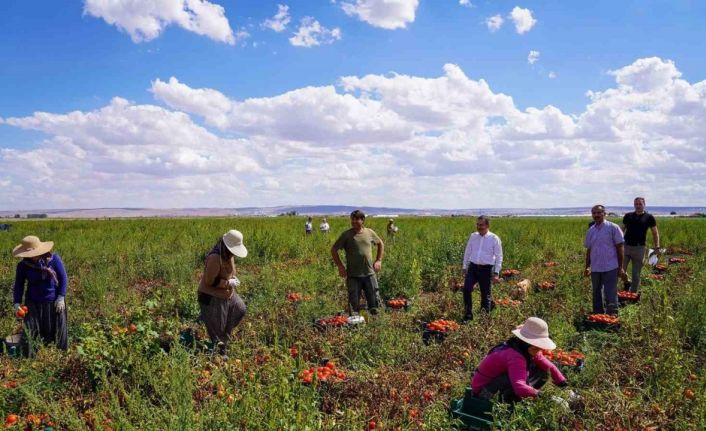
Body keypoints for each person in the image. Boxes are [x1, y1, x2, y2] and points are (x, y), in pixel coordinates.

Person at [472, 317, 567, 403]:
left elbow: (548, 365)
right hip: (483, 392)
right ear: (529, 344)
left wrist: (562, 383)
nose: (540, 350)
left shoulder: (522, 347)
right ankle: (507, 404)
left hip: (493, 384)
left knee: (543, 371)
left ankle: (525, 395)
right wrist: (544, 396)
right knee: (511, 380)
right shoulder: (515, 356)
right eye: (537, 347)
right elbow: (519, 387)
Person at [12, 235, 68, 351]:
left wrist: (61, 297)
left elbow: (63, 278)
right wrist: (17, 302)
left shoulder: (54, 260)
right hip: (33, 302)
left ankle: (59, 355)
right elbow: (19, 284)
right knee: (32, 331)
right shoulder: (23, 266)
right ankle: (33, 355)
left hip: (53, 301)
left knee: (57, 331)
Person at [198, 230, 248, 359]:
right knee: (218, 329)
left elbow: (229, 272)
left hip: (226, 294)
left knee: (239, 308)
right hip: (211, 296)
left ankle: (222, 333)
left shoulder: (228, 255)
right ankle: (220, 354)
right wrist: (227, 283)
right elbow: (210, 282)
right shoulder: (215, 258)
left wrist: (233, 279)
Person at [331, 210, 384, 315]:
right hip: (353, 275)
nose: (354, 222)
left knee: (374, 301)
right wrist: (340, 266)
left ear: (362, 220)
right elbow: (333, 249)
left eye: (356, 220)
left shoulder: (369, 232)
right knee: (353, 303)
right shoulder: (346, 235)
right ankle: (355, 325)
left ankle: (375, 324)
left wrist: (378, 260)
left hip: (369, 274)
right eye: (352, 220)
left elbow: (380, 243)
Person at [584, 205, 625, 315]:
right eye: (594, 213)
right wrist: (587, 266)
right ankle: (598, 316)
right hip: (596, 268)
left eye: (599, 213)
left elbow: (620, 247)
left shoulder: (613, 227)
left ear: (604, 214)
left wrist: (620, 267)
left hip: (610, 267)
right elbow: (589, 250)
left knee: (610, 293)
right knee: (596, 293)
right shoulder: (591, 231)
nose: (596, 215)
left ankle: (612, 318)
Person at [461, 215, 503, 321]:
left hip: (486, 269)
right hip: (473, 267)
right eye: (477, 224)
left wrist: (496, 273)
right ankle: (468, 315)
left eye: (481, 225)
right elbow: (467, 251)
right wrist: (464, 266)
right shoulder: (473, 236)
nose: (479, 227)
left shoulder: (494, 238)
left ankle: (484, 318)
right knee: (466, 290)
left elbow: (499, 256)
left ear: (487, 225)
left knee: (485, 294)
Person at [622, 197, 660, 293]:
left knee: (636, 273)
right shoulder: (628, 216)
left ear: (644, 205)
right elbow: (622, 230)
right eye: (636, 204)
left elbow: (655, 233)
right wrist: (616, 244)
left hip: (639, 248)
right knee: (620, 270)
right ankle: (627, 282)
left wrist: (657, 246)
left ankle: (633, 294)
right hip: (625, 247)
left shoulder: (649, 217)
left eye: (640, 204)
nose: (638, 206)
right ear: (634, 205)